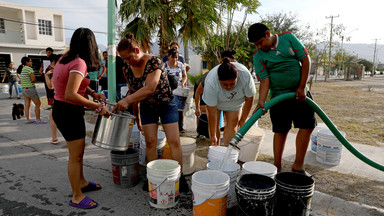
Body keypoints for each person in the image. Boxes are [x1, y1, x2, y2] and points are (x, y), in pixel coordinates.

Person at [113, 33, 189, 192]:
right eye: (124, 59)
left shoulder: (154, 61)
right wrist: (136, 115)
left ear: (136, 49)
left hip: (166, 103)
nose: (127, 62)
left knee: (174, 141)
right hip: (147, 107)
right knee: (150, 142)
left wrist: (126, 100)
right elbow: (134, 93)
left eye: (129, 58)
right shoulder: (127, 69)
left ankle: (179, 176)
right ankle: (152, 177)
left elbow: (150, 87)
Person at [52, 28, 110, 209]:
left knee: (79, 152)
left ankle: (82, 182)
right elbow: (70, 94)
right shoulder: (79, 63)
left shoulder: (64, 59)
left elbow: (77, 85)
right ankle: (77, 196)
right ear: (91, 45)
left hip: (61, 110)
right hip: (69, 111)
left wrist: (93, 93)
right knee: (75, 156)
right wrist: (98, 106)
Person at [248, 23, 316, 175]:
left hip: (300, 93)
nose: (259, 47)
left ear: (268, 33)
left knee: (307, 126)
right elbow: (265, 80)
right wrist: (261, 101)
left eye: (260, 42)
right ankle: (277, 167)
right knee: (280, 130)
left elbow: (305, 60)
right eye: (256, 45)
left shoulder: (288, 38)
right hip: (278, 97)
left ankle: (298, 165)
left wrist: (302, 86)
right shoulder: (258, 56)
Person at [203, 57, 256, 146]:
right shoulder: (211, 83)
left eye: (232, 83)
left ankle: (228, 151)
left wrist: (243, 120)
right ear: (218, 79)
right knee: (215, 128)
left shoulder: (245, 76)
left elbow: (250, 99)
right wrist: (213, 136)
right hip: (217, 103)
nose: (229, 87)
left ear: (237, 77)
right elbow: (212, 114)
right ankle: (216, 148)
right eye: (225, 84)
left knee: (232, 125)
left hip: (236, 102)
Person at [194, 50, 237, 138]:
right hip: (202, 88)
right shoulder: (211, 77)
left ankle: (218, 131)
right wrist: (197, 108)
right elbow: (198, 92)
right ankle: (201, 131)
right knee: (204, 111)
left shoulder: (233, 71)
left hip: (216, 92)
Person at [164, 48, 187, 133]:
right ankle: (169, 127)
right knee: (170, 108)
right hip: (168, 90)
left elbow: (185, 75)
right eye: (173, 57)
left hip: (179, 89)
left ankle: (180, 127)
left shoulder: (180, 65)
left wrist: (183, 83)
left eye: (176, 57)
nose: (175, 59)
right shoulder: (164, 66)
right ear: (168, 57)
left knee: (180, 108)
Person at [19, 57, 47, 124]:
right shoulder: (29, 69)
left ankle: (28, 120)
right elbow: (33, 79)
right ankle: (38, 120)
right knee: (38, 104)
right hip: (30, 89)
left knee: (27, 104)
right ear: (26, 62)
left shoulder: (22, 69)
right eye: (30, 61)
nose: (31, 62)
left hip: (24, 89)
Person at [44, 54, 62, 144]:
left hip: (56, 96)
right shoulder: (66, 69)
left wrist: (46, 76)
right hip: (65, 96)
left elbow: (51, 86)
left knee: (52, 116)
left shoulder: (52, 71)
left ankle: (54, 138)